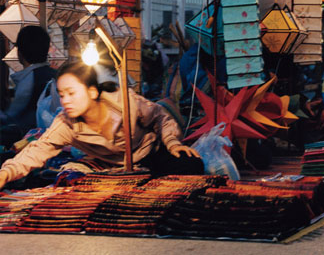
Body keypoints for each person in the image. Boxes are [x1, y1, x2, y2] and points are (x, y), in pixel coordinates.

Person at [0, 62, 203, 189]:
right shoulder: (66, 122)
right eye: (61, 95)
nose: (65, 101)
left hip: (151, 154)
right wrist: (5, 174)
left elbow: (161, 117)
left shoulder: (124, 101)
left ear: (92, 92)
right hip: (111, 169)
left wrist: (172, 143)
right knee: (56, 182)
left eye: (71, 93)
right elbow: (37, 150)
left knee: (189, 164)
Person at [0, 26, 56, 147]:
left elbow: (13, 114)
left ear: (19, 52)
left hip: (31, 138)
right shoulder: (54, 74)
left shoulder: (29, 78)